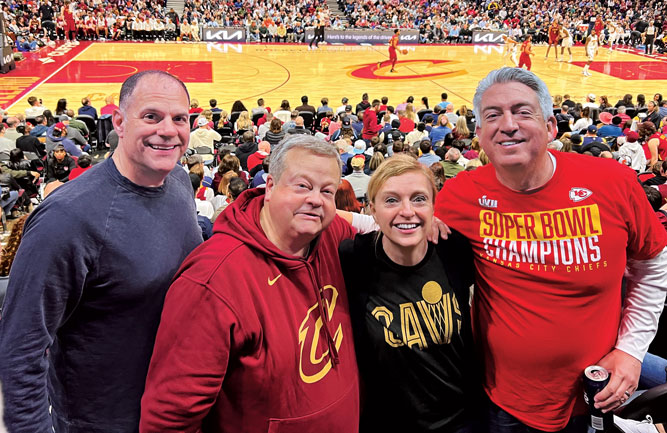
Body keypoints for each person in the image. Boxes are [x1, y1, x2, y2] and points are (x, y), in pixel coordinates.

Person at [434, 67, 667, 432]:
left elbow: (652, 263)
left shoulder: (613, 182)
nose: (507, 124)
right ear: (479, 134)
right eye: (492, 115)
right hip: (503, 402)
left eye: (522, 112)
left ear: (551, 126)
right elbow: (402, 229)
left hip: (597, 393)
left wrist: (631, 350)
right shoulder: (459, 196)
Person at [0, 70, 203, 432]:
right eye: (152, 116)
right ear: (120, 122)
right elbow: (21, 348)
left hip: (174, 408)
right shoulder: (66, 218)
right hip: (103, 420)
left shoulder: (177, 180)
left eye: (180, 119)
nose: (169, 130)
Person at [140, 134, 360, 432]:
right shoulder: (212, 280)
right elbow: (168, 419)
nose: (315, 200)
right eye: (302, 186)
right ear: (269, 187)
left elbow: (382, 239)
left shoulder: (332, 234)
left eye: (327, 191)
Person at [339, 154, 479, 433]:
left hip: (462, 421)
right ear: (372, 210)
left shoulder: (455, 250)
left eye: (419, 199)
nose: (407, 211)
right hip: (384, 424)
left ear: (433, 207)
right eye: (391, 200)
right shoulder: (354, 257)